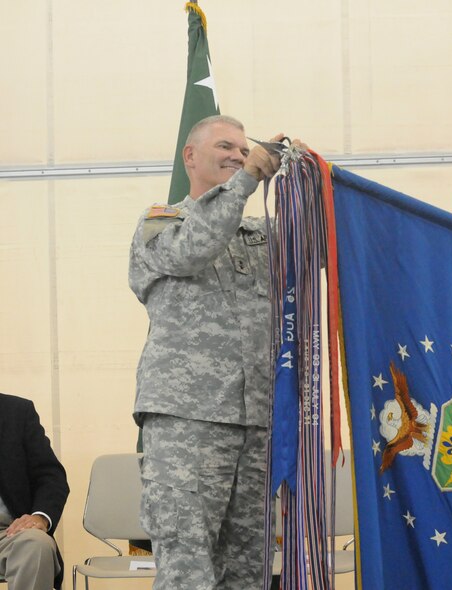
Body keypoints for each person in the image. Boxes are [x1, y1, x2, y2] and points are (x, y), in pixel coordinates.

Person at [129, 115, 284, 589]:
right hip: (186, 421)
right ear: (190, 157)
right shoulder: (161, 224)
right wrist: (246, 182)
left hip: (257, 422)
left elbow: (323, 252)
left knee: (250, 568)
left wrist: (311, 185)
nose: (238, 156)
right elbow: (192, 250)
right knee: (187, 565)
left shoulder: (262, 235)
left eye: (243, 149)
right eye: (225, 146)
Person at [0, 393, 69, 590]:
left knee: (37, 544)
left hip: (9, 532)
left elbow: (50, 476)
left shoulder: (17, 412)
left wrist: (40, 517)